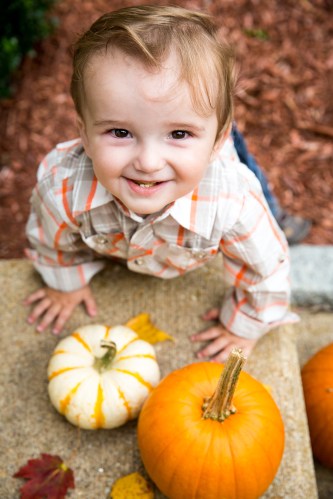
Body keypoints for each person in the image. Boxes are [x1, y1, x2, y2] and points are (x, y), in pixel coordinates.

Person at [24, 5, 298, 362]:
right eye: (120, 132)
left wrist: (241, 326)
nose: (148, 162)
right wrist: (66, 283)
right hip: (194, 155)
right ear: (85, 137)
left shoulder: (234, 204)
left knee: (267, 220)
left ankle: (271, 204)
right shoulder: (62, 187)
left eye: (178, 133)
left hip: (223, 172)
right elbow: (50, 238)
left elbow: (267, 271)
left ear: (215, 141)